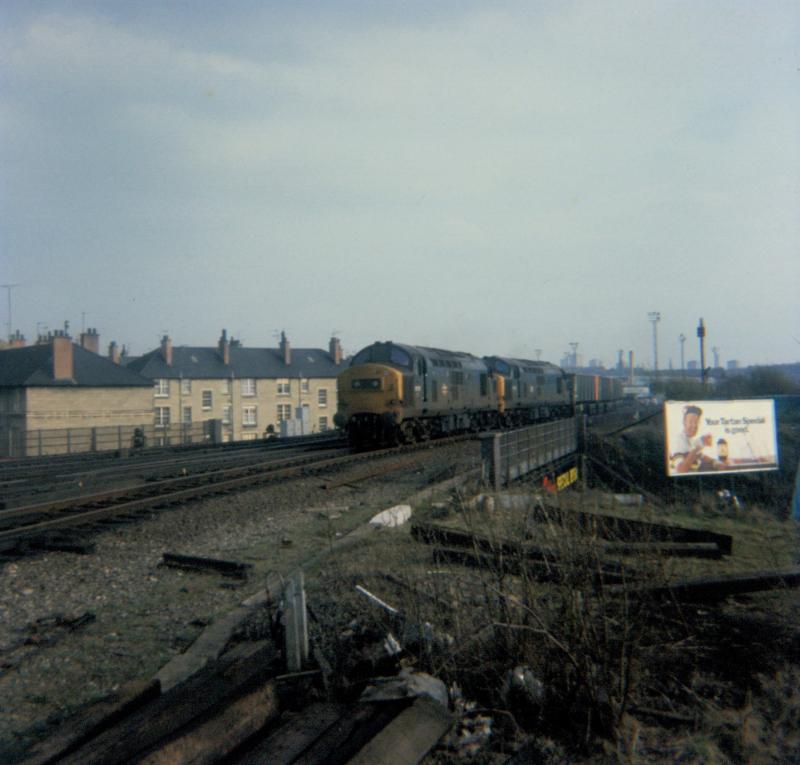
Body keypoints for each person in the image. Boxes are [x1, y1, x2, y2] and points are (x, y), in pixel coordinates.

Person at [671, 405, 713, 473]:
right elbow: (681, 470)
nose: (694, 425)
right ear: (684, 422)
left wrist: (715, 462)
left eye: (696, 422)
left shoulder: (692, 440)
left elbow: (701, 456)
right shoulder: (678, 440)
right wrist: (698, 446)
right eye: (691, 421)